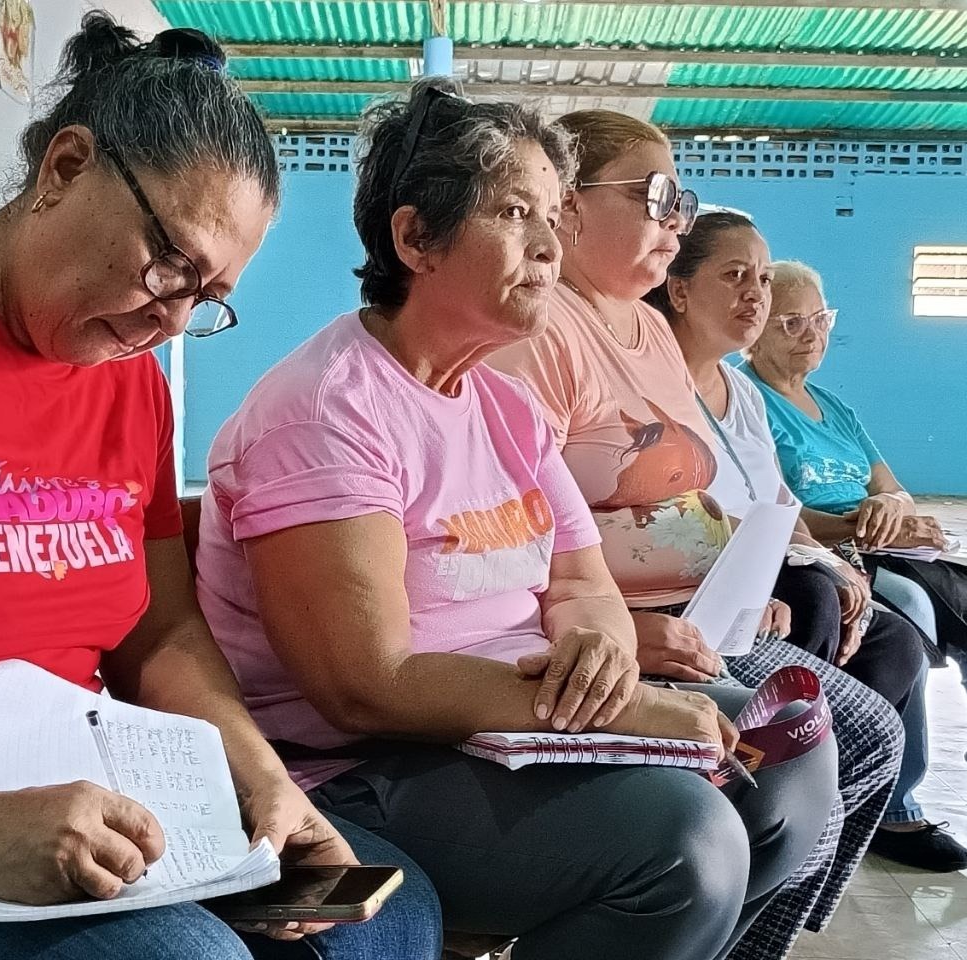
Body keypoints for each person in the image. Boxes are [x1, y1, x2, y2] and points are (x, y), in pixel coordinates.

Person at [0, 14, 440, 960]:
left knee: (388, 922)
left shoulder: (128, 383)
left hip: (75, 766)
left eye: (204, 299)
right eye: (170, 264)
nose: (170, 322)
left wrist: (259, 780)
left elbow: (156, 630)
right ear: (66, 167)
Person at [195, 78, 838, 960]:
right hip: (368, 765)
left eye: (554, 216)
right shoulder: (327, 411)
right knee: (687, 844)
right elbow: (362, 682)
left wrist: (603, 653)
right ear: (416, 236)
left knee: (787, 764)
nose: (548, 244)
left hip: (511, 721)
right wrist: (625, 713)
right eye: (515, 213)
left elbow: (580, 578)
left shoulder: (502, 406)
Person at [484, 111, 900, 956]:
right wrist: (621, 631)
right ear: (566, 207)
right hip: (618, 634)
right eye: (657, 196)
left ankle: (725, 942)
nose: (678, 217)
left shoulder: (645, 330)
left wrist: (745, 579)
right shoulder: (543, 334)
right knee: (820, 749)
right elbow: (512, 534)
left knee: (856, 741)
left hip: (700, 615)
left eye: (684, 197)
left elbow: (694, 488)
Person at [742, 258, 967, 871]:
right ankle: (896, 806)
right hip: (829, 551)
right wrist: (858, 522)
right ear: (758, 328)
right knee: (906, 614)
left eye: (821, 319)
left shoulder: (835, 407)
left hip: (886, 544)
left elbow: (894, 488)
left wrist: (889, 505)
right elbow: (774, 508)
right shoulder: (748, 397)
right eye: (793, 322)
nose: (813, 334)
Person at [646, 210, 926, 717]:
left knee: (895, 641)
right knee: (813, 597)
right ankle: (789, 758)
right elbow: (659, 516)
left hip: (772, 566)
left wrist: (833, 560)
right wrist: (807, 568)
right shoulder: (652, 386)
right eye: (735, 276)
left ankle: (833, 775)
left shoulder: (743, 395)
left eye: (764, 279)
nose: (755, 293)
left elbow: (782, 506)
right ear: (680, 291)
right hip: (703, 577)